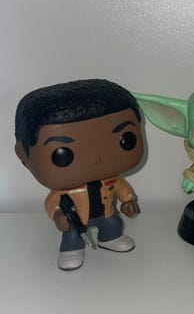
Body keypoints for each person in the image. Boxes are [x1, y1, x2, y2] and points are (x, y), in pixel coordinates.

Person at [15, 79, 144, 270]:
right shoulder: (64, 191)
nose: (98, 159)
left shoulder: (112, 180)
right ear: (23, 155)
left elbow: (122, 188)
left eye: (126, 139)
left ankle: (110, 238)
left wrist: (128, 200)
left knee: (113, 224)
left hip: (106, 213)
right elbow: (52, 203)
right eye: (63, 154)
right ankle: (72, 250)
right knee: (73, 235)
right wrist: (58, 215)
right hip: (75, 218)